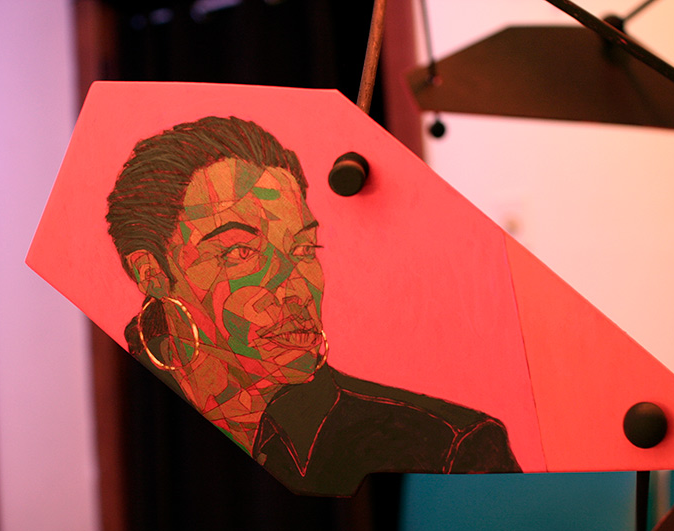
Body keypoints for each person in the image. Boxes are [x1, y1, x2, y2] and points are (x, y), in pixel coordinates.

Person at [106, 115, 521, 495]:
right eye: (240, 252)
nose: (295, 287)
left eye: (303, 248)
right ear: (152, 273)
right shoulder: (121, 422)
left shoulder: (446, 445)